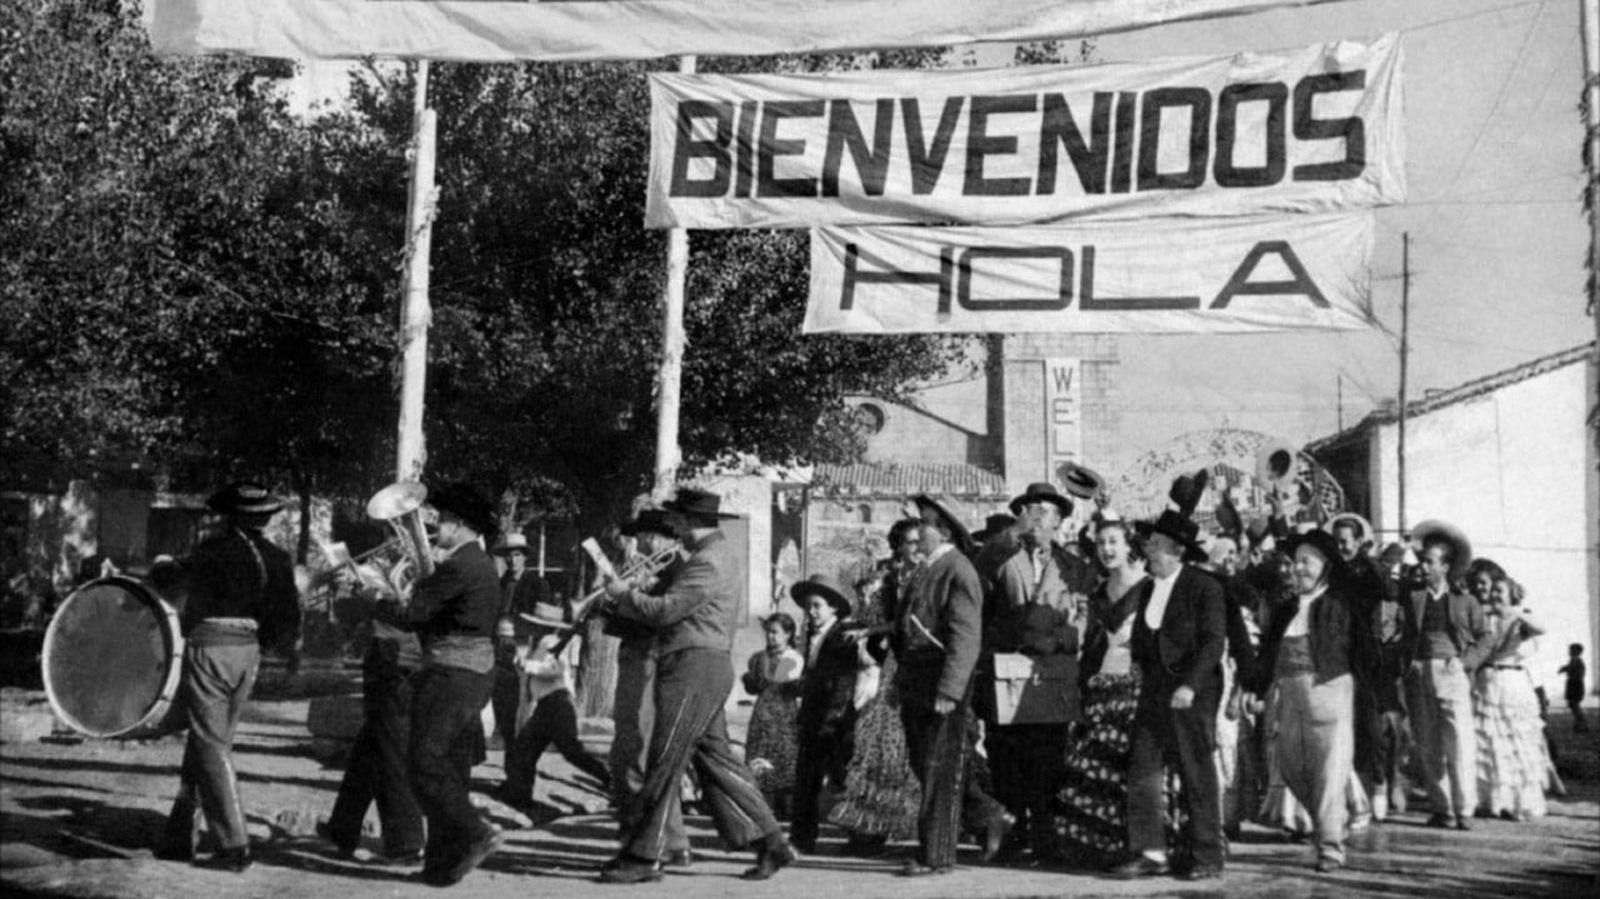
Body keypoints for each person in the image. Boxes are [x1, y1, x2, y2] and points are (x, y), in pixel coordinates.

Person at [599, 488, 796, 884]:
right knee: (718, 762)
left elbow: (666, 611)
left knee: (664, 759)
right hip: (700, 668)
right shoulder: (713, 556)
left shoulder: (708, 561)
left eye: (677, 520)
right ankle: (773, 843)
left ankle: (644, 856)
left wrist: (624, 594)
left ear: (690, 521)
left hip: (693, 668)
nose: (674, 528)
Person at [158, 482, 302, 873]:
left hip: (211, 648)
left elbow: (169, 581)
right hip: (248, 653)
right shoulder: (278, 557)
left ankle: (234, 844)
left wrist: (162, 563)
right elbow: (286, 617)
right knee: (209, 739)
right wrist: (272, 647)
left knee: (210, 742)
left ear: (229, 517)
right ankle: (179, 834)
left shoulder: (211, 550)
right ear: (265, 518)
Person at [374, 481, 505, 887]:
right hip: (470, 671)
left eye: (443, 520)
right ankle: (442, 864)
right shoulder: (477, 562)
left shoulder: (459, 566)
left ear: (461, 525)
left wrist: (372, 599)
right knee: (452, 767)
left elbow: (413, 615)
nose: (435, 527)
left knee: (424, 763)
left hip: (452, 672)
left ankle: (475, 830)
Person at [973, 481, 1094, 864]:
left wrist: (1058, 640)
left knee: (1048, 758)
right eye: (1030, 511)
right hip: (1004, 672)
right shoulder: (1000, 557)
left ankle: (1046, 840)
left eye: (1046, 512)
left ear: (1060, 521)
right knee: (1005, 757)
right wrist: (1013, 533)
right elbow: (981, 579)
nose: (1038, 519)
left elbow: (1086, 619)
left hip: (1050, 674)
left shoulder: (1075, 567)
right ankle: (1011, 837)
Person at [892, 494, 1010, 877]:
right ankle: (988, 816)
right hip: (917, 680)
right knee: (924, 764)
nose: (917, 531)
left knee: (938, 768)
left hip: (940, 683)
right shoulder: (928, 569)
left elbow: (965, 638)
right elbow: (907, 629)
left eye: (924, 524)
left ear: (942, 531)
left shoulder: (958, 570)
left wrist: (949, 690)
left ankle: (936, 855)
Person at [1111, 507, 1227, 882]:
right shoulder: (1148, 588)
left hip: (1192, 691)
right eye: (1149, 545)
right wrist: (1136, 666)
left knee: (1196, 770)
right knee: (1142, 765)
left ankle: (1207, 854)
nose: (1148, 551)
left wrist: (1189, 685)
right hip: (1154, 689)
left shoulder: (1204, 587)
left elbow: (1213, 643)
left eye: (1157, 546)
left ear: (1177, 551)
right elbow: (1143, 637)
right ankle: (1151, 852)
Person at [1055, 516, 1167, 869]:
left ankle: (1149, 848)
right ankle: (1107, 843)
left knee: (1136, 767)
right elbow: (1092, 645)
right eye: (1102, 543)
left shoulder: (1150, 587)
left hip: (1138, 686)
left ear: (1129, 545)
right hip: (1104, 685)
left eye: (1114, 541)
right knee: (1097, 764)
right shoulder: (1099, 593)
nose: (1107, 549)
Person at [1255, 529, 1366, 873]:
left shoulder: (1342, 602)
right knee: (1291, 766)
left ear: (1326, 566)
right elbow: (1268, 653)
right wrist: (1255, 688)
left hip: (1329, 690)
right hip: (1290, 693)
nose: (1298, 568)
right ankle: (1334, 820)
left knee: (1330, 770)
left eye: (1307, 562)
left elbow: (1364, 647)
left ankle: (1330, 846)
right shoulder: (1286, 607)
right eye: (1295, 562)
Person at [828, 518, 922, 856]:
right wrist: (869, 630)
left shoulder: (924, 576)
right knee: (881, 747)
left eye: (919, 541)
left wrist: (870, 631)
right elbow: (887, 620)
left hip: (915, 665)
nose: (917, 547)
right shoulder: (890, 580)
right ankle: (870, 828)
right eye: (910, 542)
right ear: (898, 547)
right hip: (893, 667)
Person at [606, 509, 694, 869]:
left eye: (644, 536)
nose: (639, 543)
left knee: (634, 749)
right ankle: (671, 840)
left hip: (648, 658)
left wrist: (626, 594)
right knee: (639, 751)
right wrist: (611, 600)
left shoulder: (676, 570)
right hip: (637, 655)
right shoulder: (648, 568)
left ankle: (642, 840)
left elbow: (660, 616)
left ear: (662, 537)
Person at [322, 569, 425, 865]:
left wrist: (371, 598)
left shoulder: (431, 564)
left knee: (391, 747)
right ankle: (342, 827)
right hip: (388, 653)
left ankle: (406, 842)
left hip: (398, 657)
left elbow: (411, 614)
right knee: (369, 746)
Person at [1401, 520, 1491, 831]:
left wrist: (1464, 662)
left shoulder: (1466, 601)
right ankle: (1442, 809)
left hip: (1452, 672)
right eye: (1422, 560)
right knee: (1427, 744)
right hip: (1419, 672)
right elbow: (1401, 633)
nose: (1423, 567)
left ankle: (1464, 810)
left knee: (1460, 742)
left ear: (1445, 566)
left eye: (1430, 561)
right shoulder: (1412, 597)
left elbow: (1486, 637)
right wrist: (1408, 663)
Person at [497, 601, 612, 810]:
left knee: (569, 752)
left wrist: (526, 665)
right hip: (548, 705)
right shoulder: (540, 643)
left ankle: (612, 780)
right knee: (527, 749)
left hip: (557, 704)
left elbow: (555, 668)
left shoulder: (551, 642)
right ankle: (519, 793)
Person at [788, 574, 863, 854]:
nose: (812, 612)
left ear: (834, 608)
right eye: (808, 606)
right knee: (806, 777)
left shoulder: (842, 636)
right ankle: (802, 837)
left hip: (835, 719)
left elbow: (843, 682)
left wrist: (832, 718)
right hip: (813, 716)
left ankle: (862, 834)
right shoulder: (812, 635)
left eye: (817, 606)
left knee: (842, 776)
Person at [1473, 575, 1549, 821]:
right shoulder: (1486, 617)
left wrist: (1515, 613)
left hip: (1512, 683)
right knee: (1488, 742)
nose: (1495, 595)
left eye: (1500, 591)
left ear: (1512, 594)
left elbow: (1541, 628)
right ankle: (1489, 801)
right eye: (1493, 590)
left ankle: (1517, 802)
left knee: (1515, 744)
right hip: (1487, 681)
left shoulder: (1521, 619)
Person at [743, 612, 804, 818]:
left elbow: (781, 680)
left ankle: (784, 807)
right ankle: (760, 806)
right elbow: (755, 687)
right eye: (768, 632)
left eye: (775, 632)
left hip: (784, 714)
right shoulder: (758, 658)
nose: (770, 636)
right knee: (759, 754)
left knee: (784, 756)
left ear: (788, 634)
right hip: (762, 712)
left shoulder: (793, 658)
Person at [1559, 644, 1589, 733]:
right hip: (1572, 685)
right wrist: (1564, 669)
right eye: (1570, 650)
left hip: (1576, 686)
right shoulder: (1572, 660)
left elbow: (1579, 675)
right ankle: (1578, 724)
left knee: (1575, 705)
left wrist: (1570, 673)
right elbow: (1569, 667)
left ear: (1578, 652)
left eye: (1572, 650)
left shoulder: (1579, 661)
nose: (1569, 652)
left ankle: (1582, 724)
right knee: (1572, 705)